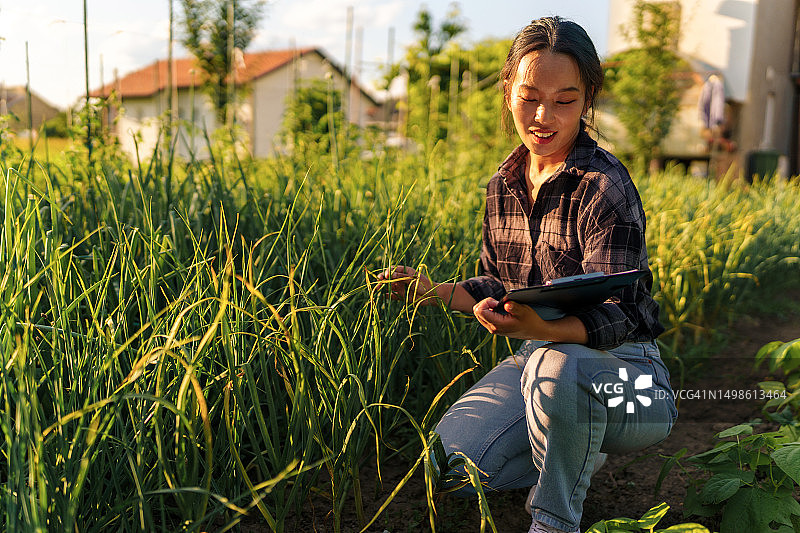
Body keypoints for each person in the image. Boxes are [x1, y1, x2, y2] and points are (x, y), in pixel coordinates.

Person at [378, 16, 677, 533]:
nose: (543, 116)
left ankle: (555, 519)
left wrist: (540, 331)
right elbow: (496, 283)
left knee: (559, 367)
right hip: (538, 361)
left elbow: (621, 314)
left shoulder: (603, 185)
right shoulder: (504, 182)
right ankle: (575, 449)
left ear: (588, 99)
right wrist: (431, 292)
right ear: (508, 91)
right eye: (529, 96)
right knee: (448, 464)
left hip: (630, 378)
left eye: (564, 100)